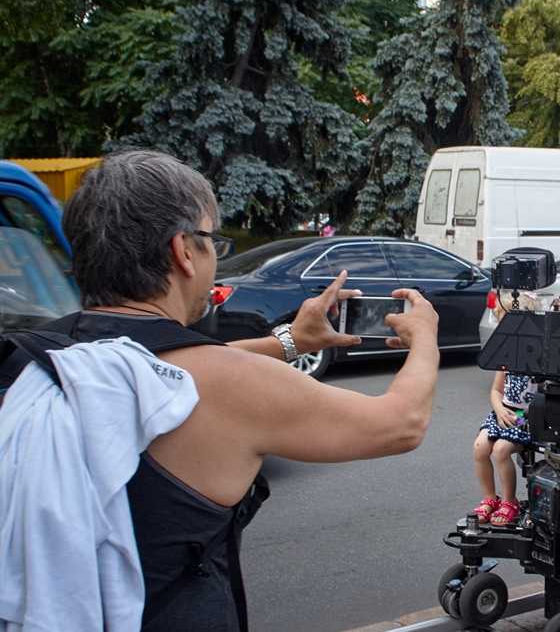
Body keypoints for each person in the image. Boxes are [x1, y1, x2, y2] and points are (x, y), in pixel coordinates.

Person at [10, 150, 440, 631]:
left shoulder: (35, 360)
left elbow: (167, 362)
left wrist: (292, 340)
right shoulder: (221, 383)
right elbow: (401, 423)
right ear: (183, 251)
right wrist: (425, 339)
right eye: (212, 239)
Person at [471, 293, 538, 527]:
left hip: (526, 418)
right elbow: (496, 391)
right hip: (504, 412)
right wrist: (499, 409)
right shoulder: (505, 354)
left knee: (500, 450)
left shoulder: (540, 355)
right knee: (480, 447)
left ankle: (510, 501)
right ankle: (490, 497)